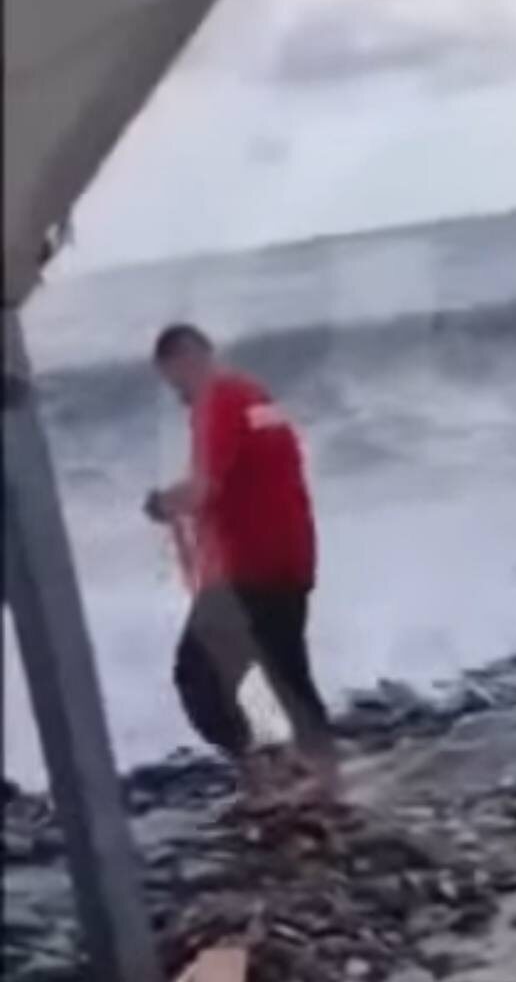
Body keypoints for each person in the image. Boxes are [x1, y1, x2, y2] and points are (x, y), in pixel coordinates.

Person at [144, 324, 338, 802]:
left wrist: (163, 504)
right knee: (274, 671)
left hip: (248, 567)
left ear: (182, 362)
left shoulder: (216, 402)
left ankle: (266, 772)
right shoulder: (255, 397)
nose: (176, 395)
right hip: (290, 557)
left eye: (172, 381)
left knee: (197, 676)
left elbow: (202, 489)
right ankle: (314, 773)